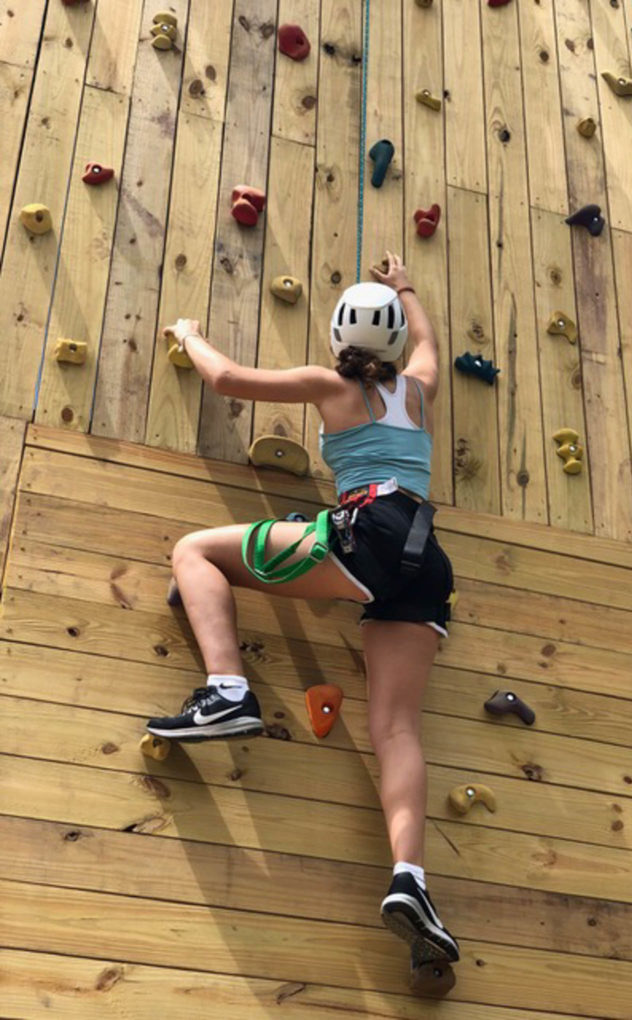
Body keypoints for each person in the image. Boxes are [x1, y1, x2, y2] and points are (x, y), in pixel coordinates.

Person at [146, 251, 459, 967]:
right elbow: (432, 345)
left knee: (194, 551)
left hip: (367, 532)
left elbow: (226, 379)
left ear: (335, 338)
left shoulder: (330, 383)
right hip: (424, 557)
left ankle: (227, 692)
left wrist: (188, 332)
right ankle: (410, 878)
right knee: (396, 728)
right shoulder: (417, 390)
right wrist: (404, 286)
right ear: (397, 348)